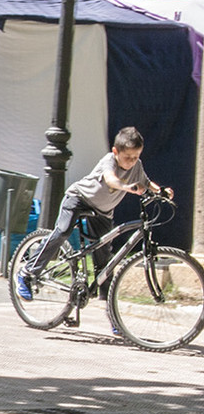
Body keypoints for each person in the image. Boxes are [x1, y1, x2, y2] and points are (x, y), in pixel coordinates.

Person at [16, 127, 171, 303]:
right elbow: (110, 179)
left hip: (102, 212)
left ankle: (110, 307)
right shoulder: (109, 161)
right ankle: (27, 272)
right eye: (128, 157)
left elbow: (147, 182)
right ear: (115, 151)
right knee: (63, 231)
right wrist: (127, 187)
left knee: (104, 256)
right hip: (78, 199)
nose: (132, 161)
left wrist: (161, 191)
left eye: (136, 157)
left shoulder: (137, 166)